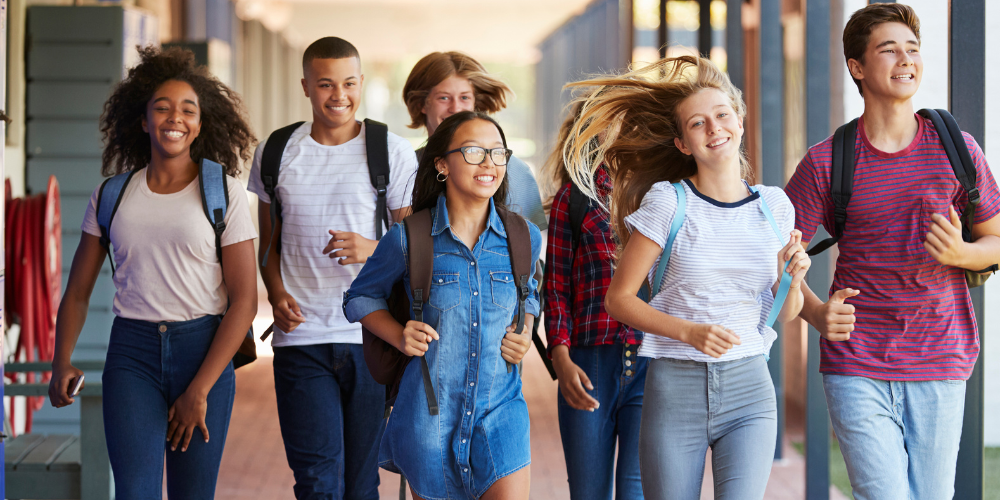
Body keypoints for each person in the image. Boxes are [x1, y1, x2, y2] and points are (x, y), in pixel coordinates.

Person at [565, 56, 811, 499]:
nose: (714, 128)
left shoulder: (774, 207)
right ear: (682, 143)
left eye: (721, 115)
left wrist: (790, 276)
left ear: (738, 119)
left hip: (750, 389)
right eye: (698, 123)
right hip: (675, 388)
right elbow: (619, 300)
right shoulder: (669, 202)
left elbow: (786, 313)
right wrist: (689, 332)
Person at [784, 4, 1000, 499]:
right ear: (857, 67)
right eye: (889, 49)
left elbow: (996, 240)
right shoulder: (827, 161)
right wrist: (816, 313)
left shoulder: (957, 150)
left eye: (913, 49)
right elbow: (776, 257)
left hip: (941, 358)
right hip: (857, 361)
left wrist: (962, 254)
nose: (906, 59)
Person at [47, 46, 258, 499]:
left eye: (187, 109)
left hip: (204, 352)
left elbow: (244, 301)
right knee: (134, 493)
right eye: (161, 108)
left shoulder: (224, 192)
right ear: (143, 121)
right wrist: (60, 359)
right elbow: (79, 290)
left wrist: (199, 389)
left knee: (192, 494)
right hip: (132, 356)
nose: (174, 118)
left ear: (200, 124)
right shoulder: (112, 196)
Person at [246, 37, 418, 499]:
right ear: (305, 86)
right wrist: (276, 294)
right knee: (318, 483)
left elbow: (413, 251)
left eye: (347, 83)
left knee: (361, 485)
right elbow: (268, 248)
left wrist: (372, 248)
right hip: (301, 340)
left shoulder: (392, 152)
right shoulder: (276, 152)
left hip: (369, 337)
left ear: (361, 83)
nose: (338, 95)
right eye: (325, 84)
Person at [343, 111, 540, 500]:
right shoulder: (409, 238)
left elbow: (528, 292)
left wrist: (527, 326)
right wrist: (399, 335)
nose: (488, 163)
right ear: (441, 164)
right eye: (473, 151)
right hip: (429, 420)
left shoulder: (523, 235)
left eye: (498, 153)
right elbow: (359, 297)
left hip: (501, 414)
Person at [541, 102, 645, 499]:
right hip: (589, 363)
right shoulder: (575, 197)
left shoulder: (663, 193)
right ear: (589, 132)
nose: (621, 127)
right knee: (588, 492)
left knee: (636, 490)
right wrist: (561, 358)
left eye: (626, 117)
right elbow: (555, 288)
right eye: (609, 121)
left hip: (651, 361)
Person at [402, 51, 547, 230]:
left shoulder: (515, 172)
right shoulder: (402, 168)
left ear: (475, 104)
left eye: (464, 97)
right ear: (421, 104)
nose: (456, 108)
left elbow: (529, 246)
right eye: (444, 98)